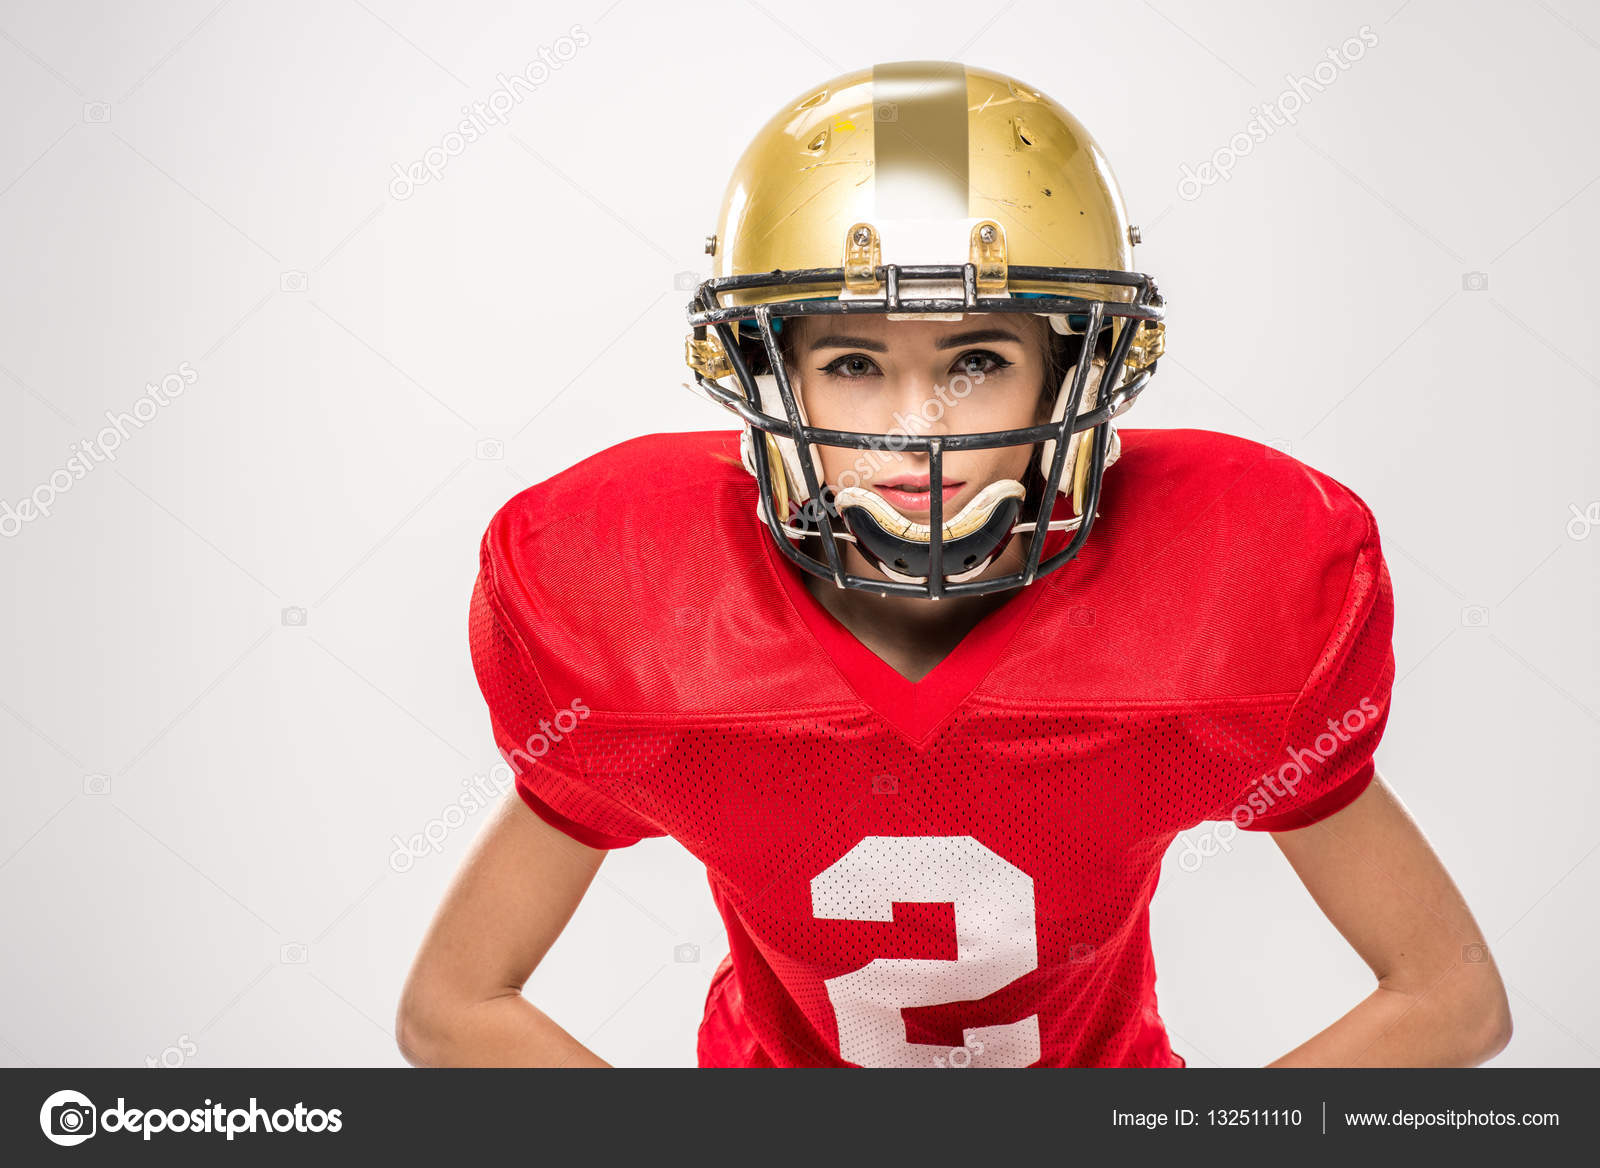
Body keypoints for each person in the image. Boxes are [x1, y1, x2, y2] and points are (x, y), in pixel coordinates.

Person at [397, 61, 1511, 1068]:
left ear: (1071, 371)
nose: (915, 424)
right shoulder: (645, 612)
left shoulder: (1227, 605)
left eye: (976, 359)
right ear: (765, 372)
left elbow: (1449, 1000)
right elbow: (453, 1006)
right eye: (850, 361)